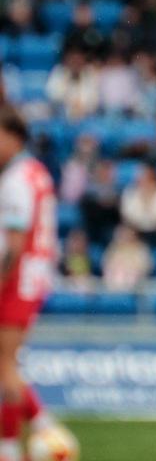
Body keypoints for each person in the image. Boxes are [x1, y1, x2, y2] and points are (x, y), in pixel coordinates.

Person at [0, 106, 69, 461]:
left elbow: (13, 244)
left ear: (13, 137)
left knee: (5, 366)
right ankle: (24, 439)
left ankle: (35, 437)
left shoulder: (15, 179)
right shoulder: (36, 172)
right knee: (5, 364)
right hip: (34, 276)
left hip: (18, 279)